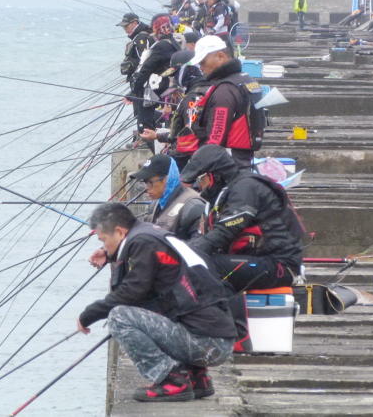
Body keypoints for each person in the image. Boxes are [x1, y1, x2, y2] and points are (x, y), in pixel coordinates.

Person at [78, 202, 236, 402]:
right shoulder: (150, 234)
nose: (103, 245)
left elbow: (131, 292)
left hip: (207, 344)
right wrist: (111, 254)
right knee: (153, 309)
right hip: (216, 340)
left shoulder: (142, 242)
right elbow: (151, 275)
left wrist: (88, 315)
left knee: (119, 316)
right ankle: (196, 378)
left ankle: (172, 380)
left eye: (103, 239)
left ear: (118, 231)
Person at [179, 145, 304, 293]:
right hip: (262, 261)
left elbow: (225, 230)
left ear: (213, 175)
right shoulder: (229, 190)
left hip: (279, 266)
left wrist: (186, 253)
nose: (198, 186)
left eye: (200, 180)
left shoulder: (245, 187)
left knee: (207, 265)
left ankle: (227, 315)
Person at [187, 35, 263, 169]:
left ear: (220, 56)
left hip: (227, 165)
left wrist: (195, 170)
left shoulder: (225, 90)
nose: (201, 68)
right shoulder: (247, 80)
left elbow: (216, 138)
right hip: (245, 160)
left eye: (203, 62)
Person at [131, 154, 207, 240]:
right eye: (145, 182)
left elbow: (198, 247)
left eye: (150, 183)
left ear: (166, 179)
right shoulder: (156, 204)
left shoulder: (193, 206)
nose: (147, 188)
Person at [129, 13, 180, 133]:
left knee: (144, 121)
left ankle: (149, 138)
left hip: (158, 89)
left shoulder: (161, 46)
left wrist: (135, 89)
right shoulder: (173, 42)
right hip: (169, 87)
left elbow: (146, 69)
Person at [118, 12, 150, 87]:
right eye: (123, 27)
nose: (125, 29)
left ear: (135, 23)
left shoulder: (141, 38)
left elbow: (145, 62)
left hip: (143, 81)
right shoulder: (139, 36)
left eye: (126, 26)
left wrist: (132, 64)